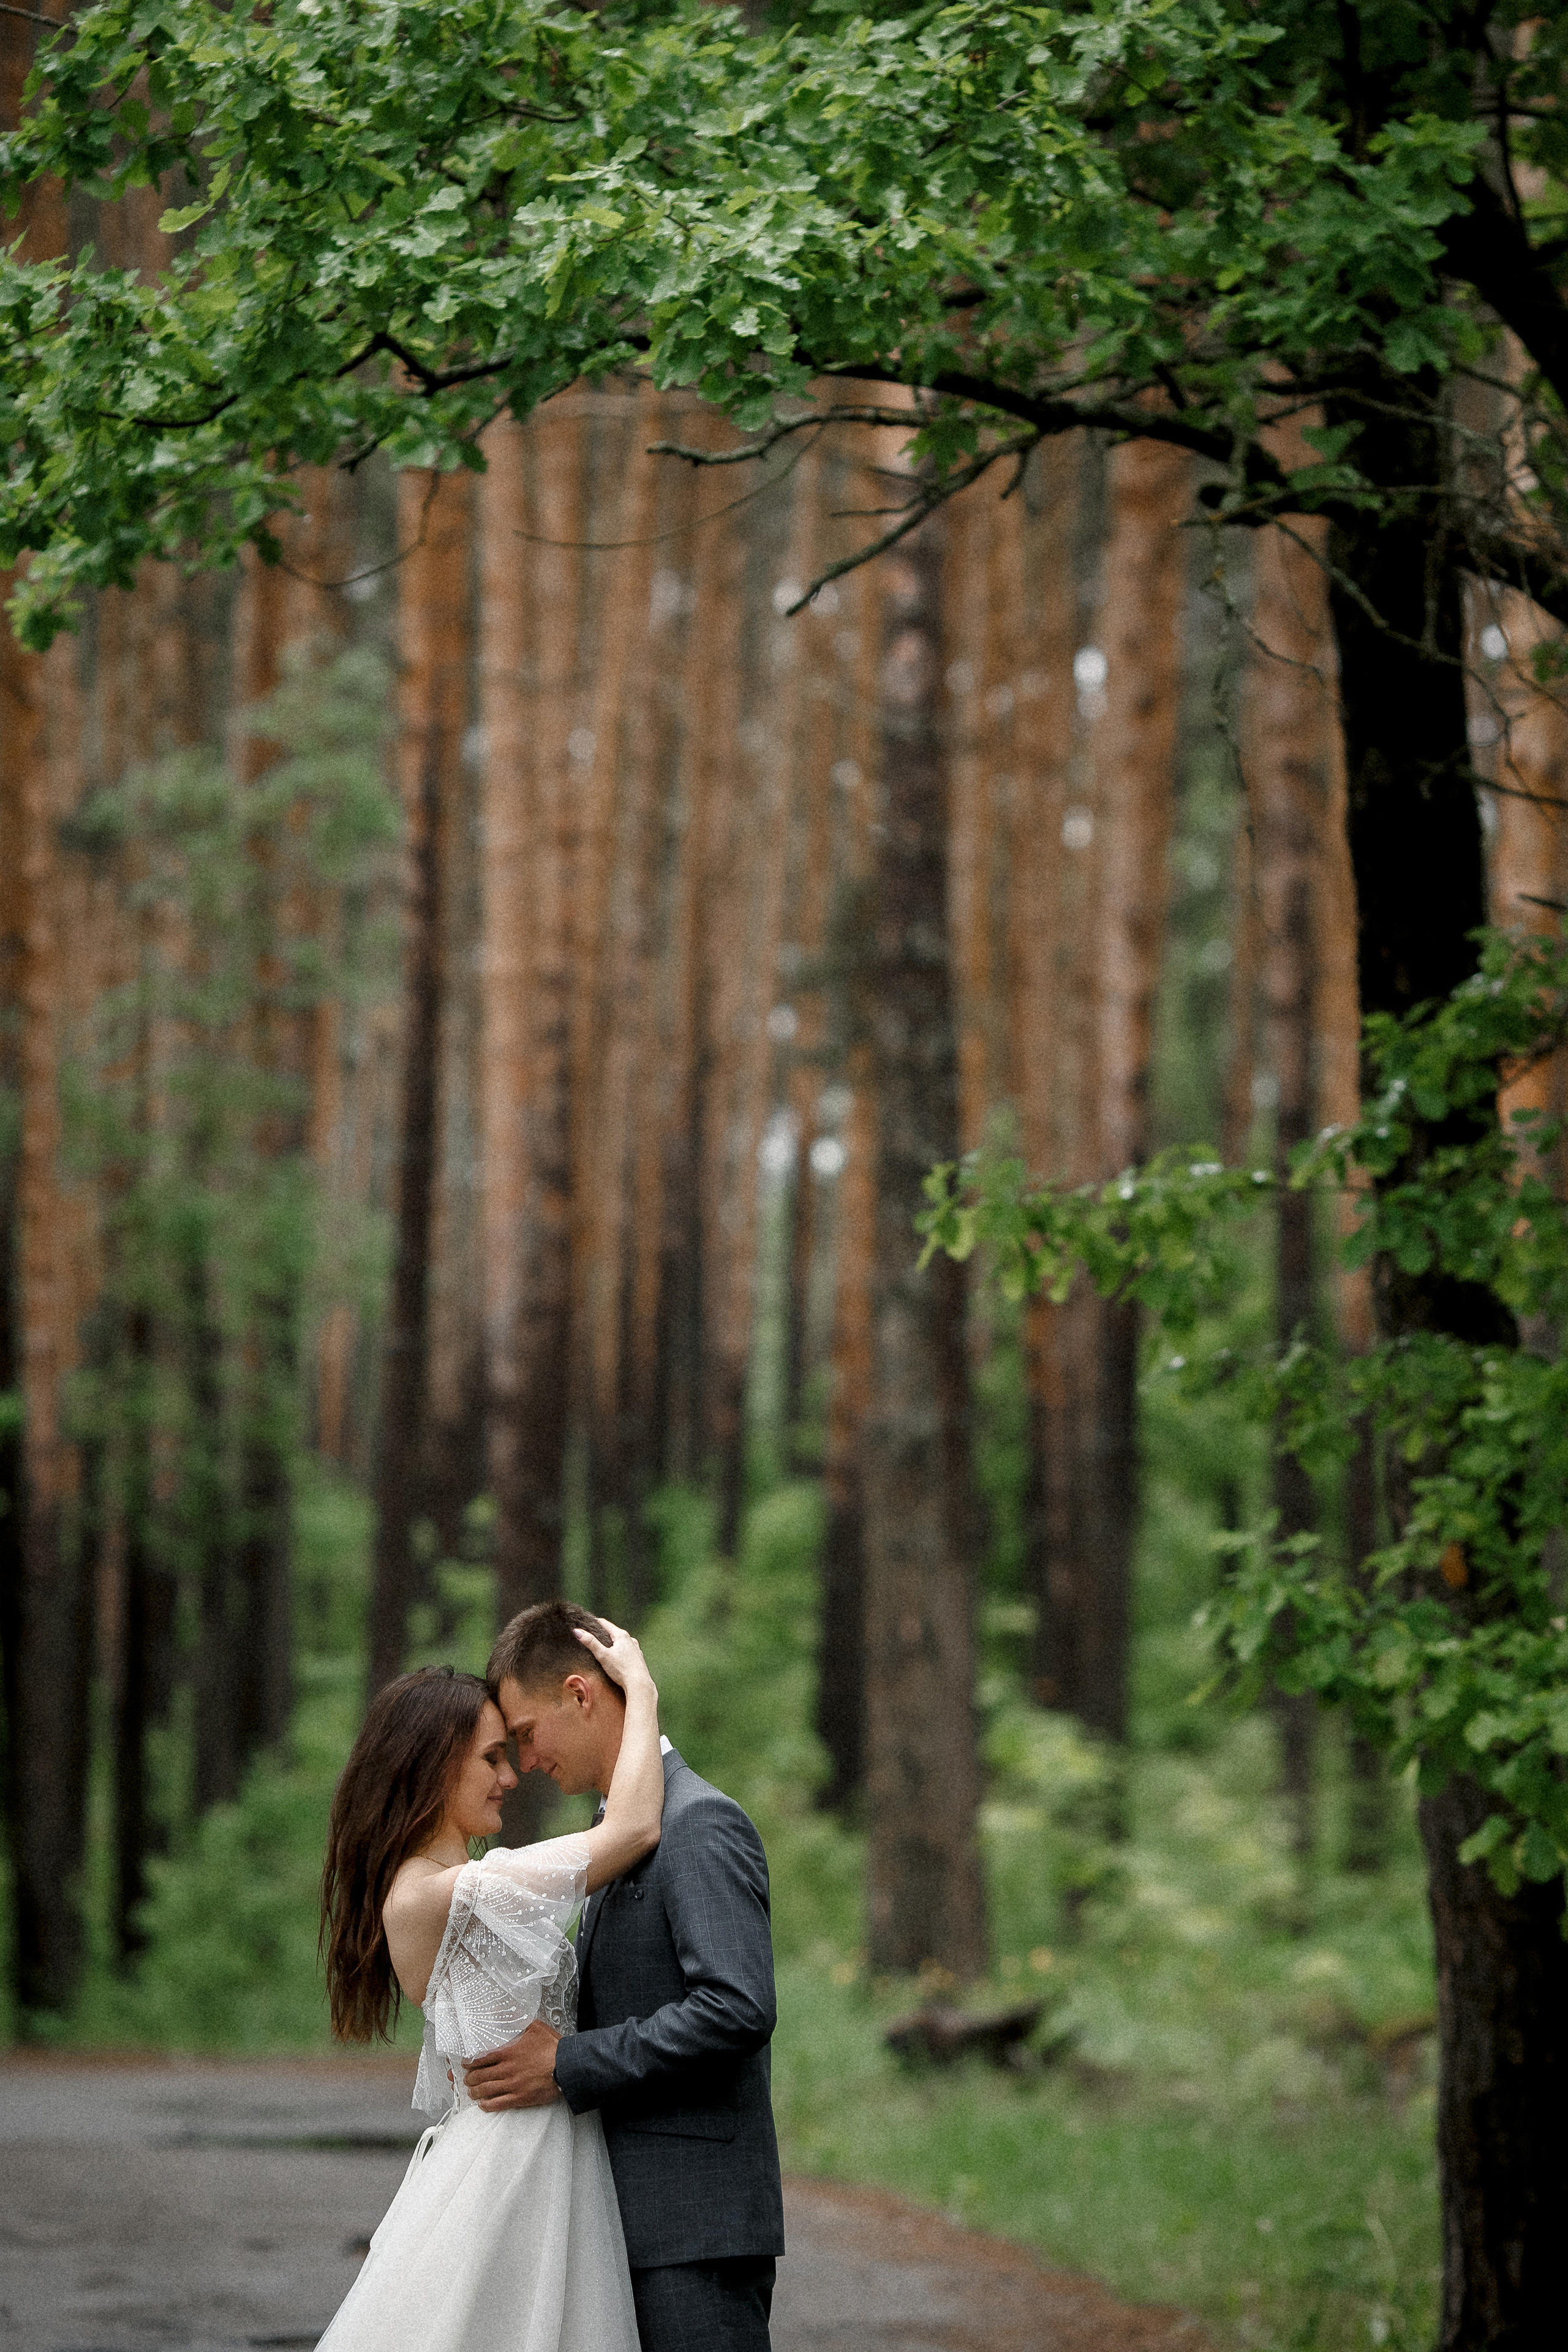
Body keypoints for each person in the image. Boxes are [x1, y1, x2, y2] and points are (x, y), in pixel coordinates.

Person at [314, 1619, 665, 2352]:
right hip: (515, 2162)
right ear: (435, 1765)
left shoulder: (451, 1886)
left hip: (536, 2149)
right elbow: (632, 1829)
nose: (511, 1777)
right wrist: (640, 1690)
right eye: (491, 1758)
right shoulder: (452, 1892)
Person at [463, 1599, 785, 2352]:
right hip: (632, 2226)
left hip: (693, 2231)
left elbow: (738, 2007)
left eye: (527, 1735)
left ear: (580, 1694)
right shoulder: (619, 1834)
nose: (526, 1762)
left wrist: (567, 2063)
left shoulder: (698, 1823)